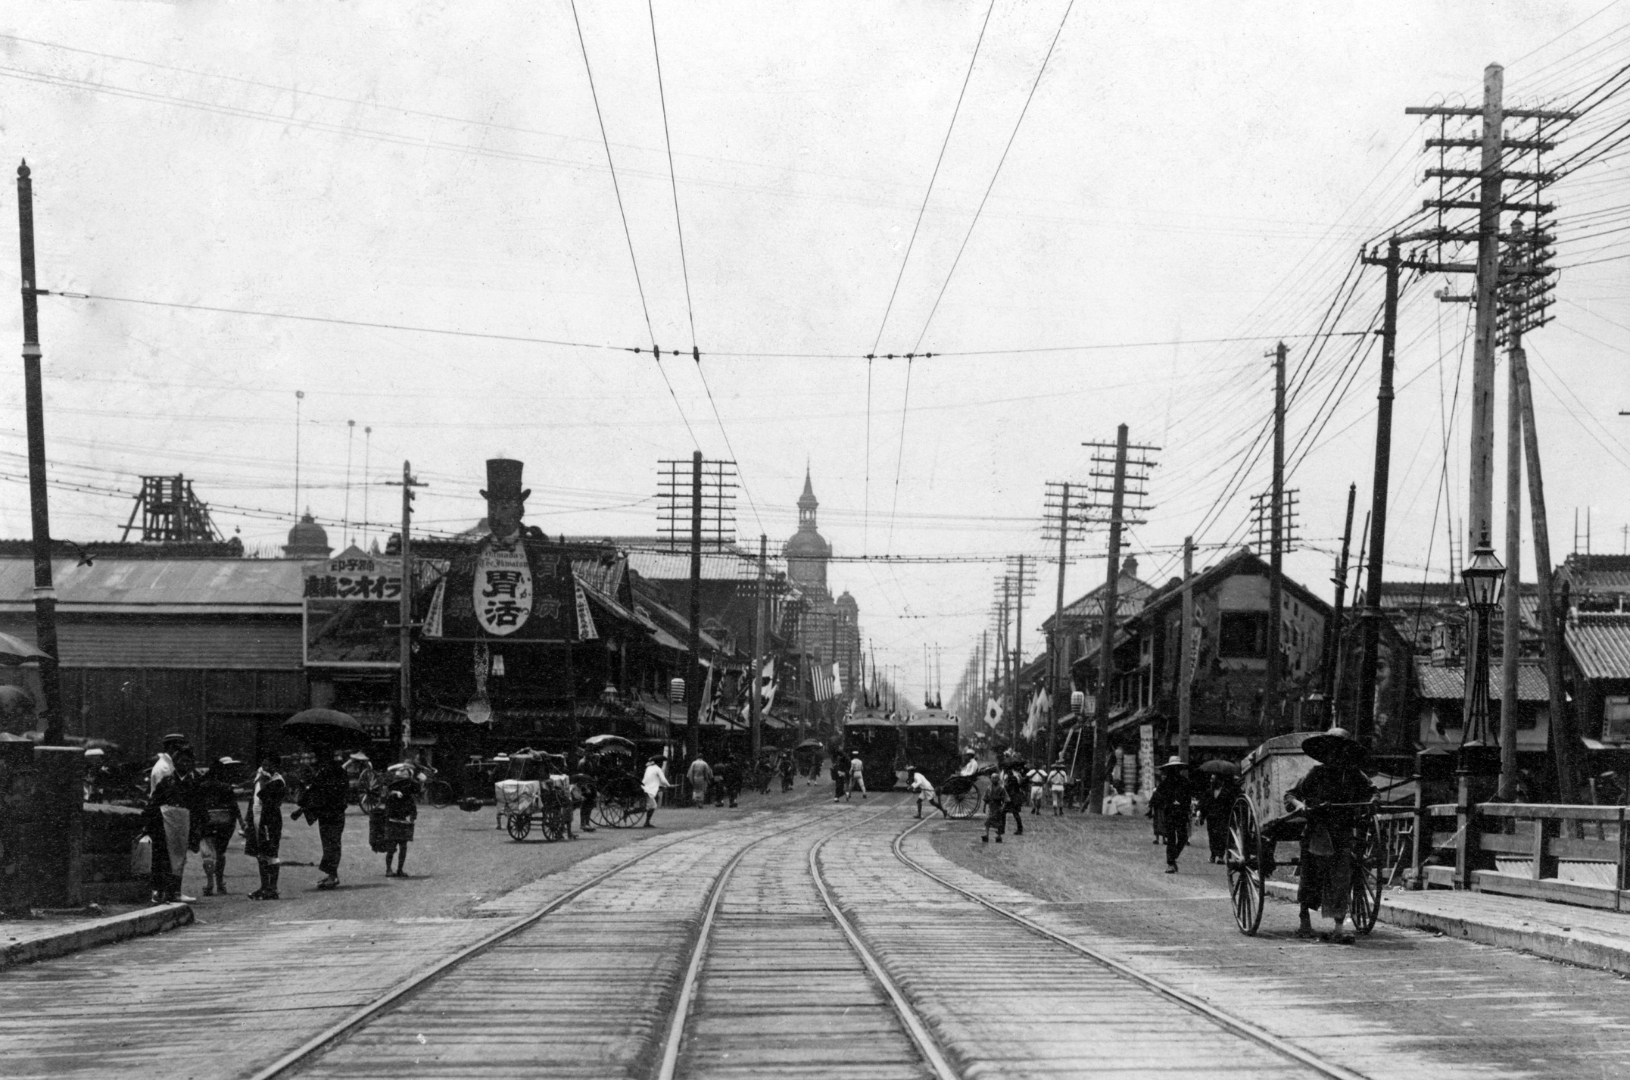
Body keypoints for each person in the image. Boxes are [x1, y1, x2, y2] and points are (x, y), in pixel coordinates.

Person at [1285, 727, 1376, 944]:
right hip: (1317, 831)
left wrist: (1373, 802)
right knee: (1310, 878)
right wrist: (1299, 805)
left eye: (1341, 750)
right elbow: (1291, 795)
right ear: (1326, 752)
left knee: (1341, 879)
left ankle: (1338, 927)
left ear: (1347, 752)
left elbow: (1373, 791)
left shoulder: (1354, 774)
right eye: (1332, 750)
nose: (1336, 755)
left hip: (1342, 833)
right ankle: (1304, 920)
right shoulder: (1316, 773)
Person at [294, 749, 349, 890]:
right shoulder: (338, 772)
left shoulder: (326, 773)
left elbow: (317, 792)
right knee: (331, 844)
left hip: (330, 813)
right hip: (334, 813)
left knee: (331, 844)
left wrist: (303, 807)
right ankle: (332, 874)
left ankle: (333, 876)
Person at [191, 756, 243, 896]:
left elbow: (196, 806)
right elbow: (234, 807)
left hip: (206, 821)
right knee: (220, 853)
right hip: (225, 823)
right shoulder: (226, 787)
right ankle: (220, 884)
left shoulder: (201, 786)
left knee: (207, 852)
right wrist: (241, 822)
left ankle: (209, 883)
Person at [244, 750, 286, 900]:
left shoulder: (277, 781)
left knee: (271, 853)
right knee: (260, 853)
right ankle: (264, 887)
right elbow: (253, 799)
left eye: (268, 765)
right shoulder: (260, 777)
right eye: (263, 764)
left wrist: (262, 780)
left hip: (269, 820)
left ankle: (272, 888)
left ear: (275, 767)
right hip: (257, 818)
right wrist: (248, 820)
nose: (264, 767)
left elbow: (264, 798)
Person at [1148, 757, 1193, 873]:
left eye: (1177, 768)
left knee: (1183, 837)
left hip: (1182, 813)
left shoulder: (1185, 782)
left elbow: (1188, 798)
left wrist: (1184, 806)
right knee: (1171, 838)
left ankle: (1173, 856)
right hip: (1170, 813)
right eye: (1173, 768)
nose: (1175, 770)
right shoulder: (1165, 783)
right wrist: (1166, 803)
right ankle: (1170, 863)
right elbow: (1157, 796)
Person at [1198, 770, 1241, 864]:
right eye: (1211, 779)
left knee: (1222, 837)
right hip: (1211, 818)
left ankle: (1221, 856)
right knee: (1212, 836)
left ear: (1218, 780)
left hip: (1223, 818)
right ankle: (1213, 855)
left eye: (1213, 779)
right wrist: (1202, 817)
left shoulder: (1227, 792)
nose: (1211, 781)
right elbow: (1204, 805)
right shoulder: (1209, 792)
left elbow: (1232, 806)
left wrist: (1233, 818)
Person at [381, 774, 417, 877]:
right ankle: (388, 869)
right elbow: (387, 808)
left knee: (403, 847)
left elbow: (413, 811)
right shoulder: (393, 796)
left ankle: (400, 869)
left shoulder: (409, 797)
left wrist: (412, 818)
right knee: (391, 848)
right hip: (392, 823)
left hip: (402, 824)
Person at [641, 756, 674, 827]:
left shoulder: (648, 768)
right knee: (653, 806)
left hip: (644, 787)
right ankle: (647, 823)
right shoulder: (658, 769)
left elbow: (652, 779)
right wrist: (669, 785)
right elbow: (663, 780)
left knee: (651, 805)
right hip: (649, 789)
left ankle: (647, 822)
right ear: (659, 763)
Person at [982, 771, 1010, 843]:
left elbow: (1006, 799)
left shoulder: (1001, 788)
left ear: (998, 779)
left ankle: (999, 836)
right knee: (987, 821)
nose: (994, 779)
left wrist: (1003, 807)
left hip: (998, 807)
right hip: (990, 807)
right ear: (991, 779)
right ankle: (986, 834)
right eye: (993, 778)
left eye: (996, 778)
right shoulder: (989, 788)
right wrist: (984, 806)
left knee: (999, 822)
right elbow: (986, 798)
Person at [1001, 761, 1027, 836]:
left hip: (1012, 798)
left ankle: (1003, 829)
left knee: (1007, 813)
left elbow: (1007, 788)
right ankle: (1019, 829)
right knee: (1014, 813)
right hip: (1015, 797)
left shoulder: (1010, 778)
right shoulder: (1015, 776)